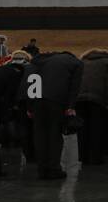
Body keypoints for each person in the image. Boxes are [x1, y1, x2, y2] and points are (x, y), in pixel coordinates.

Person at [24, 49, 83, 179]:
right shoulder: (75, 63)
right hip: (57, 101)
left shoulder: (40, 61)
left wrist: (29, 105)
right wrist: (71, 106)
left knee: (39, 135)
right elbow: (74, 86)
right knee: (55, 135)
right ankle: (54, 169)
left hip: (37, 100)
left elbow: (31, 81)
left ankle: (42, 169)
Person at [76, 49, 108, 167]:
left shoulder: (83, 62)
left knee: (82, 129)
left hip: (80, 99)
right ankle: (95, 157)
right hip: (98, 99)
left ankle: (83, 156)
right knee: (97, 128)